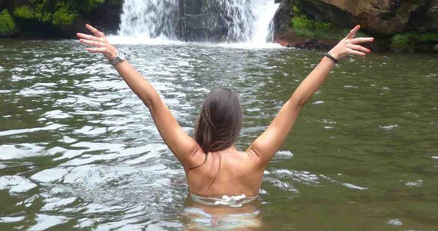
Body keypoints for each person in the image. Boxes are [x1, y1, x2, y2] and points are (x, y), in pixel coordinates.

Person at [76, 24, 373, 203]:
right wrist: (332, 55)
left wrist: (115, 56)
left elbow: (153, 101)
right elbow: (296, 102)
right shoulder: (255, 160)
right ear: (237, 123)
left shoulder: (194, 160)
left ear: (204, 119)